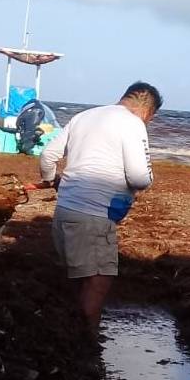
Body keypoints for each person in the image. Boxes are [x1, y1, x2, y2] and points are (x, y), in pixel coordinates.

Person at [38, 81, 163, 331]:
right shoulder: (133, 123)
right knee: (98, 283)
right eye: (150, 118)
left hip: (64, 212)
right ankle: (87, 350)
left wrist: (52, 180)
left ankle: (65, 339)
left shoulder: (84, 116)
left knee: (78, 280)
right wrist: (147, 182)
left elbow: (48, 156)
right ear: (148, 110)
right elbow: (139, 176)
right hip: (94, 217)